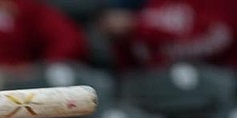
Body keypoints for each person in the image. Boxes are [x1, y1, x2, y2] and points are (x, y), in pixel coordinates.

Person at [96, 0, 237, 68]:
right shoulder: (150, 5)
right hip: (154, 83)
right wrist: (122, 39)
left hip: (220, 76)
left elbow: (216, 37)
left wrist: (137, 27)